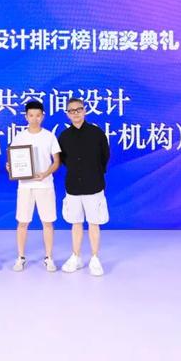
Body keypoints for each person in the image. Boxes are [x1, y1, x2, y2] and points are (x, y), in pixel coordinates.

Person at [57, 98, 110, 276]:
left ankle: (95, 258)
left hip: (93, 185)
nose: (75, 113)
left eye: (78, 109)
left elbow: (105, 156)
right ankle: (76, 256)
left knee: (94, 223)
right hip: (73, 186)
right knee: (76, 223)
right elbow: (63, 160)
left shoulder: (96, 133)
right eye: (71, 111)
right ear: (67, 114)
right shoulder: (64, 137)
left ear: (85, 111)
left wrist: (94, 172)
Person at [7, 101, 61, 272]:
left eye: (38, 115)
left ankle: (49, 258)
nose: (34, 118)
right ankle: (20, 257)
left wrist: (45, 174)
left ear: (42, 116)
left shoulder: (49, 136)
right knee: (22, 222)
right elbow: (13, 160)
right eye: (31, 115)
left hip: (45, 185)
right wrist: (11, 167)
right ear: (26, 117)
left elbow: (56, 161)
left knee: (47, 222)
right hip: (25, 186)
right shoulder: (19, 137)